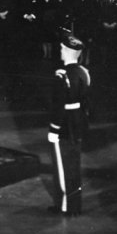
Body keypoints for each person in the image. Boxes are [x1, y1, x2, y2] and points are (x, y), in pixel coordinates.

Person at [48, 31, 90, 216]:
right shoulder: (84, 73)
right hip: (79, 121)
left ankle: (65, 206)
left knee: (62, 166)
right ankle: (73, 205)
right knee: (74, 164)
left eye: (62, 48)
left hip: (64, 124)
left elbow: (58, 105)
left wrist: (54, 128)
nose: (60, 50)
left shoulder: (62, 76)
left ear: (65, 50)